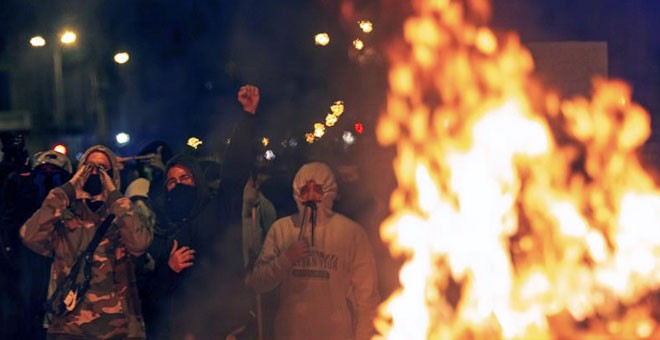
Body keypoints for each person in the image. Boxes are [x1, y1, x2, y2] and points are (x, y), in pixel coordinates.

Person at [142, 84, 260, 339]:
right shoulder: (163, 226)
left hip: (222, 325)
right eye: (172, 181)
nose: (178, 184)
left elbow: (234, 169)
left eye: (185, 177)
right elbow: (152, 292)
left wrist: (247, 118)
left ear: (197, 179)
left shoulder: (218, 209)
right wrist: (170, 268)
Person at [20, 145, 152, 339]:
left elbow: (140, 244)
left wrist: (114, 197)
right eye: (89, 167)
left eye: (102, 168)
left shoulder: (124, 215)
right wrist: (66, 192)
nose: (95, 173)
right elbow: (29, 236)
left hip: (117, 329)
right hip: (68, 328)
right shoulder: (63, 217)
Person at [245, 161, 381, 340]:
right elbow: (258, 282)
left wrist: (364, 336)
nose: (310, 197)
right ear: (296, 193)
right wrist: (286, 259)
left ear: (329, 191)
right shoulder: (282, 230)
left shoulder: (351, 233)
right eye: (304, 190)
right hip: (290, 334)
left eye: (317, 189)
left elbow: (367, 298)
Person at [0, 150, 73, 339]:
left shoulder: (69, 191)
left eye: (53, 170)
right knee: (30, 303)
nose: (48, 173)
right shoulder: (21, 184)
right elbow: (11, 216)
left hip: (61, 252)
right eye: (44, 170)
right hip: (29, 253)